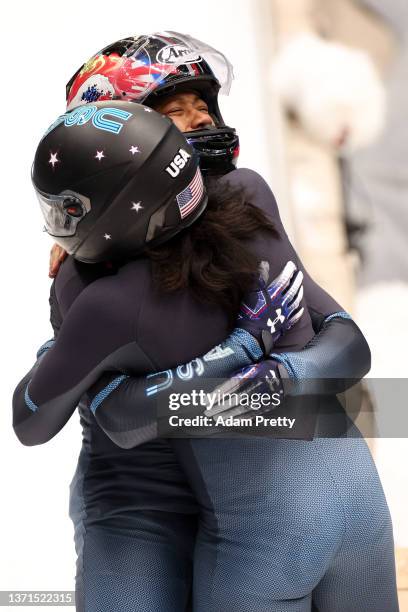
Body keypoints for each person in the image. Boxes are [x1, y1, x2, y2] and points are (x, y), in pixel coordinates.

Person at [15, 32, 398, 612]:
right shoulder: (93, 286)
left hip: (259, 493)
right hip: (145, 496)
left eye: (204, 108)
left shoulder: (242, 204)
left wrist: (280, 375)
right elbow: (111, 417)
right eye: (177, 115)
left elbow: (346, 345)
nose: (201, 125)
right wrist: (247, 356)